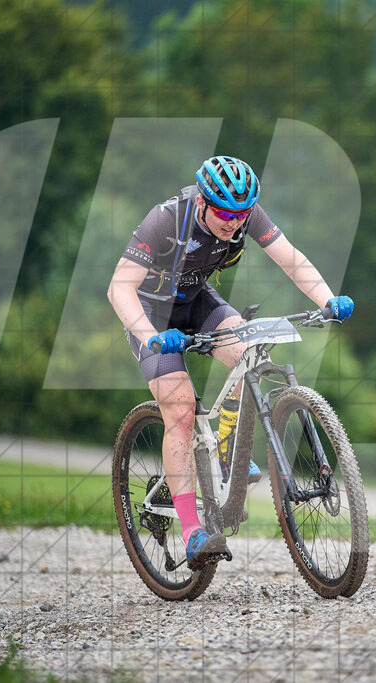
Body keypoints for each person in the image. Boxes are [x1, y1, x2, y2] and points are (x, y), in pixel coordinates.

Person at [107, 155, 354, 569]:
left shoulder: (246, 215)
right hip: (150, 314)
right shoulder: (166, 220)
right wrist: (150, 337)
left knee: (250, 354)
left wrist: (327, 299)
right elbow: (119, 288)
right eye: (223, 212)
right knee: (182, 409)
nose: (233, 223)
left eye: (241, 214)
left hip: (196, 302)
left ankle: (225, 455)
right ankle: (191, 531)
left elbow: (290, 258)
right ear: (202, 201)